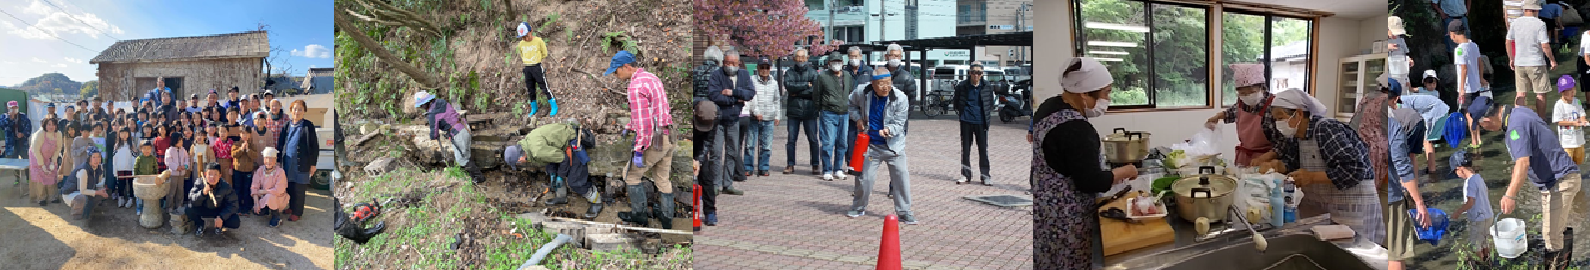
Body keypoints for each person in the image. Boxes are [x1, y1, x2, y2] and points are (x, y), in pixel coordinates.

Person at [1033, 57, 1139, 269]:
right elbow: (1090, 181)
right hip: (1066, 219)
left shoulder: (1050, 106)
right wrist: (1126, 170)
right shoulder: (1077, 129)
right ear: (1084, 93)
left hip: (1044, 210)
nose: (1107, 100)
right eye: (1105, 93)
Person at [1268, 89, 1385, 246]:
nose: (1278, 124)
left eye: (1280, 118)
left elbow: (1354, 170)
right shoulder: (1296, 137)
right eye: (1276, 120)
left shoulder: (1326, 129)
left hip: (1354, 208)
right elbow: (1294, 163)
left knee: (1355, 255)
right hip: (1327, 210)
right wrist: (1277, 166)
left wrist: (1311, 177)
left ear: (1298, 114)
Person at [1480, 102, 1581, 264]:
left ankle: (1557, 265)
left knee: (1550, 237)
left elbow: (1523, 163)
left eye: (1483, 127)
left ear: (1486, 121)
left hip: (1560, 181)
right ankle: (1566, 263)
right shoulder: (1519, 112)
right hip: (1560, 179)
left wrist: (1510, 195)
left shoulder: (1514, 128)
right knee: (1556, 230)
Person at [607, 50, 679, 229]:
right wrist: (630, 126)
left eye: (617, 71)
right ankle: (666, 219)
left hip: (656, 139)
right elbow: (650, 110)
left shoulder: (635, 87)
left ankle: (639, 217)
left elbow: (646, 126)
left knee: (630, 175)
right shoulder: (651, 78)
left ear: (627, 67)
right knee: (662, 178)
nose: (616, 75)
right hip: (669, 133)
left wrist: (639, 149)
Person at [846, 67, 916, 225]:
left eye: (888, 83)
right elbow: (850, 104)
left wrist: (889, 130)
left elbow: (900, 123)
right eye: (881, 84)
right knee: (865, 179)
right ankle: (858, 207)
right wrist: (857, 119)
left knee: (901, 178)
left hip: (893, 145)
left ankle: (904, 212)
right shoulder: (861, 91)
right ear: (873, 84)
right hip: (871, 145)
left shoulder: (900, 97)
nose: (885, 87)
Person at [504, 122, 599, 218]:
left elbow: (563, 158)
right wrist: (552, 173)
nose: (520, 164)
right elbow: (548, 158)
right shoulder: (527, 144)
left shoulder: (536, 151)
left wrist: (560, 177)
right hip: (560, 147)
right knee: (556, 172)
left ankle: (597, 201)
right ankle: (561, 197)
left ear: (520, 158)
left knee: (575, 182)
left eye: (518, 163)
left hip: (573, 143)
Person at [1386, 81, 1433, 270]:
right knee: (1396, 251)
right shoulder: (1392, 123)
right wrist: (1419, 202)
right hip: (1390, 197)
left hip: (1370, 194)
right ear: (1396, 99)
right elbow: (1403, 164)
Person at [1206, 64, 1283, 167]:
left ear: (1261, 87)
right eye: (1242, 93)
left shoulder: (1274, 106)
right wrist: (1218, 116)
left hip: (1267, 161)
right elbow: (1232, 111)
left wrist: (1263, 158)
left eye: (1251, 92)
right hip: (1244, 157)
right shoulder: (1243, 102)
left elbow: (1282, 144)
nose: (1247, 96)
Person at [706, 49, 753, 193]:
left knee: (732, 151)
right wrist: (735, 100)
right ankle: (716, 183)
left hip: (734, 119)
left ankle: (728, 183)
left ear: (738, 63)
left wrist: (733, 92)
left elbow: (750, 93)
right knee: (716, 152)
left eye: (732, 63)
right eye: (727, 63)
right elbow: (714, 95)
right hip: (719, 119)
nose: (730, 65)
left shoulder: (744, 74)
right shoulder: (716, 75)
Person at [413, 91, 483, 183]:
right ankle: (473, 177)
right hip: (464, 128)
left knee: (461, 159)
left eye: (421, 106)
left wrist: (432, 135)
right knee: (466, 155)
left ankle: (479, 177)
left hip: (458, 134)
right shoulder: (441, 102)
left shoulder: (432, 113)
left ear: (426, 103)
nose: (421, 108)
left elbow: (434, 134)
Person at [1508, 4, 1558, 114]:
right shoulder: (1540, 24)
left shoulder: (1515, 23)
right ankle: (1541, 119)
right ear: (1535, 10)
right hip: (1536, 63)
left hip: (1519, 62)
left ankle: (1518, 119)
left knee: (1520, 93)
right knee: (1540, 93)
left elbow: (1508, 41)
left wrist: (1511, 58)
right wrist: (1552, 60)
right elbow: (1545, 45)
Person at [1448, 150, 1495, 260]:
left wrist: (1457, 212)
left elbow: (1470, 202)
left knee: (1475, 244)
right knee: (1485, 241)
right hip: (1488, 215)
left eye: (1456, 172)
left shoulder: (1470, 182)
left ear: (1460, 168)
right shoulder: (1479, 178)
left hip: (1477, 219)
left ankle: (1480, 265)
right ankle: (1488, 261)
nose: (1457, 175)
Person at [953, 64, 995, 185]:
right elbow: (956, 102)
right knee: (965, 149)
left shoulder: (987, 86)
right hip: (966, 120)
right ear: (969, 73)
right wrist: (962, 113)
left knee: (983, 150)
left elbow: (989, 103)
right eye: (973, 72)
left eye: (978, 73)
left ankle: (985, 175)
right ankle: (966, 175)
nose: (976, 75)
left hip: (981, 122)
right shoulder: (962, 86)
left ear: (982, 74)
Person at [277, 100, 319, 222]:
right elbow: (281, 144)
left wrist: (313, 164)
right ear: (291, 111)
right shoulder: (287, 125)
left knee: (299, 188)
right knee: (289, 186)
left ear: (304, 111)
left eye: (300, 109)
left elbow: (314, 146)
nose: (297, 111)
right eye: (295, 109)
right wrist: (279, 160)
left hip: (302, 163)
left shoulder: (308, 125)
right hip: (288, 162)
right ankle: (291, 207)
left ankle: (297, 212)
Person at [1397, 79, 1450, 175]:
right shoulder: (1403, 100)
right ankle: (1431, 169)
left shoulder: (1403, 102)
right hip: (1435, 110)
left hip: (1437, 111)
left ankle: (1432, 170)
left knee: (1427, 142)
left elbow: (1408, 119)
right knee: (1427, 142)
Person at [815, 53, 853, 182]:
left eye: (839, 61)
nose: (836, 64)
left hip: (844, 113)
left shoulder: (847, 75)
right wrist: (822, 108)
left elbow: (850, 91)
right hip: (828, 113)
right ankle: (827, 169)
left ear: (842, 62)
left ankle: (838, 169)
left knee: (842, 143)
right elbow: (817, 95)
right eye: (833, 61)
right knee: (828, 142)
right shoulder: (822, 77)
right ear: (829, 63)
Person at [782, 48, 821, 175]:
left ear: (807, 58)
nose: (800, 60)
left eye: (802, 57)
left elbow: (815, 90)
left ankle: (815, 164)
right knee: (791, 139)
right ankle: (790, 164)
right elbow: (789, 86)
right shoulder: (789, 72)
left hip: (810, 110)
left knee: (813, 139)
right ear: (794, 58)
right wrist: (806, 85)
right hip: (794, 110)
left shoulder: (813, 73)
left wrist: (796, 92)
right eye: (798, 57)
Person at [744, 60, 781, 177]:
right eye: (762, 67)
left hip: (769, 118)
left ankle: (764, 167)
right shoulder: (751, 80)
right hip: (754, 118)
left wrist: (777, 115)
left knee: (766, 146)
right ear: (758, 68)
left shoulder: (774, 83)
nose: (764, 70)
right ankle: (748, 167)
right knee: (750, 144)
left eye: (767, 67)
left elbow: (776, 100)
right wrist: (756, 112)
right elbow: (750, 98)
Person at [515, 22, 558, 117]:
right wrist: (527, 62)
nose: (525, 38)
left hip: (537, 67)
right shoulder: (521, 44)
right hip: (527, 68)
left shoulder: (538, 41)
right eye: (523, 37)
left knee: (544, 86)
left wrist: (536, 60)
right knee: (530, 89)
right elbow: (522, 55)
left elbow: (544, 53)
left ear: (531, 31)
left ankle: (554, 105)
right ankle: (534, 108)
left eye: (527, 35)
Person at [188, 163, 241, 236]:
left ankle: (219, 225)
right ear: (205, 174)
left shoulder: (225, 186)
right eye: (210, 174)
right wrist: (202, 193)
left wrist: (222, 217)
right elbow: (192, 199)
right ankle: (201, 224)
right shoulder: (199, 182)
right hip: (204, 209)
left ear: (220, 176)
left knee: (235, 221)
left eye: (215, 174)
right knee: (188, 209)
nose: (212, 177)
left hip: (218, 211)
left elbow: (234, 205)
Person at [692, 101, 721, 226]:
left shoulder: (717, 115)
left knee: (706, 176)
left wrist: (699, 160)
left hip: (702, 143)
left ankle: (710, 211)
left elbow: (708, 141)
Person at [59, 148, 106, 221]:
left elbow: (97, 182)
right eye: (94, 157)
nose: (97, 159)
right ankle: (76, 214)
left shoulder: (98, 168)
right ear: (89, 158)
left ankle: (88, 210)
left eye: (98, 157)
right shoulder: (84, 170)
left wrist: (101, 191)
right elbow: (83, 191)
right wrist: (97, 192)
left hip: (83, 192)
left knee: (100, 195)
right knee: (82, 198)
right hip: (72, 193)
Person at [1554, 75, 1589, 165]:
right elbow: (1559, 122)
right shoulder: (1559, 105)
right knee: (1568, 163)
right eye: (1570, 91)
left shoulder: (1577, 101)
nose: (1573, 93)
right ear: (1563, 92)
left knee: (1580, 160)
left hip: (1579, 139)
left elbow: (1581, 113)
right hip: (1567, 142)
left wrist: (1583, 120)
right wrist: (1573, 123)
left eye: (1574, 90)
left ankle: (1577, 175)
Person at [882, 44, 918, 130]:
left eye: (897, 56)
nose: (895, 58)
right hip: (880, 119)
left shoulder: (907, 77)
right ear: (886, 56)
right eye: (892, 55)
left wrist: (903, 119)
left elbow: (911, 101)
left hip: (899, 121)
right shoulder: (880, 74)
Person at [28, 119, 62, 206]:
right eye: (49, 124)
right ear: (45, 125)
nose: (51, 127)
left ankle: (52, 196)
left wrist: (53, 161)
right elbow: (36, 150)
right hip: (36, 156)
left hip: (50, 156)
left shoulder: (58, 134)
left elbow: (58, 149)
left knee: (52, 173)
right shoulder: (40, 134)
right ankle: (41, 198)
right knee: (40, 175)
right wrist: (42, 165)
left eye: (53, 124)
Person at [252, 147, 288, 227]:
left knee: (270, 197)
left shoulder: (280, 172)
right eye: (266, 158)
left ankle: (276, 215)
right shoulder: (260, 170)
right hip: (263, 196)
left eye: (271, 158)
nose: (268, 161)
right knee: (257, 211)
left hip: (277, 197)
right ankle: (265, 209)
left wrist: (264, 191)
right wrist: (256, 203)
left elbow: (279, 190)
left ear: (275, 160)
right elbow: (254, 187)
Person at [231, 126, 261, 216]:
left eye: (247, 134)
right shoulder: (236, 144)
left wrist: (248, 149)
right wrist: (241, 149)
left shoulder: (252, 145)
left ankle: (247, 207)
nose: (245, 135)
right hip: (238, 170)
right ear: (240, 134)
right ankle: (238, 207)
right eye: (243, 133)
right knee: (238, 189)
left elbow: (255, 156)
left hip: (248, 171)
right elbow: (233, 154)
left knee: (247, 189)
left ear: (250, 135)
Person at [165, 131, 192, 213]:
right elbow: (168, 162)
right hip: (173, 174)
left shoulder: (183, 150)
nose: (181, 142)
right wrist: (177, 167)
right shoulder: (169, 151)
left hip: (181, 174)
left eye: (181, 140)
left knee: (180, 190)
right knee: (171, 191)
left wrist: (185, 166)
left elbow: (187, 159)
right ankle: (169, 207)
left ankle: (179, 205)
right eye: (179, 140)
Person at [112, 127, 135, 208]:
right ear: (119, 134)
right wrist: (115, 170)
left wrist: (133, 169)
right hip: (120, 168)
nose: (124, 135)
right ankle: (121, 198)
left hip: (129, 168)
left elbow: (134, 157)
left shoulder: (131, 145)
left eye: (126, 133)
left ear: (129, 134)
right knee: (121, 184)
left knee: (130, 184)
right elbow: (114, 159)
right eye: (122, 133)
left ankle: (130, 199)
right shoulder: (116, 146)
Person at [1389, 16, 1414, 90]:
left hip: (1402, 71)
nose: (1396, 36)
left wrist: (1409, 60)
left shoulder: (1401, 40)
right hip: (1391, 72)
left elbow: (1405, 54)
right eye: (1394, 33)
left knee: (1403, 91)